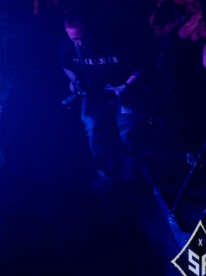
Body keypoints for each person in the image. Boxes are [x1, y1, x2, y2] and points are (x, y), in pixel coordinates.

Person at [59, 14, 145, 188]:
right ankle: (104, 172)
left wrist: (126, 86)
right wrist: (74, 81)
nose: (79, 43)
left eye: (82, 38)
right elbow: (66, 65)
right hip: (94, 93)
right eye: (74, 39)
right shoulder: (69, 45)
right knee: (92, 128)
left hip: (124, 90)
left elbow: (143, 66)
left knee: (127, 130)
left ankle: (128, 175)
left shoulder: (117, 40)